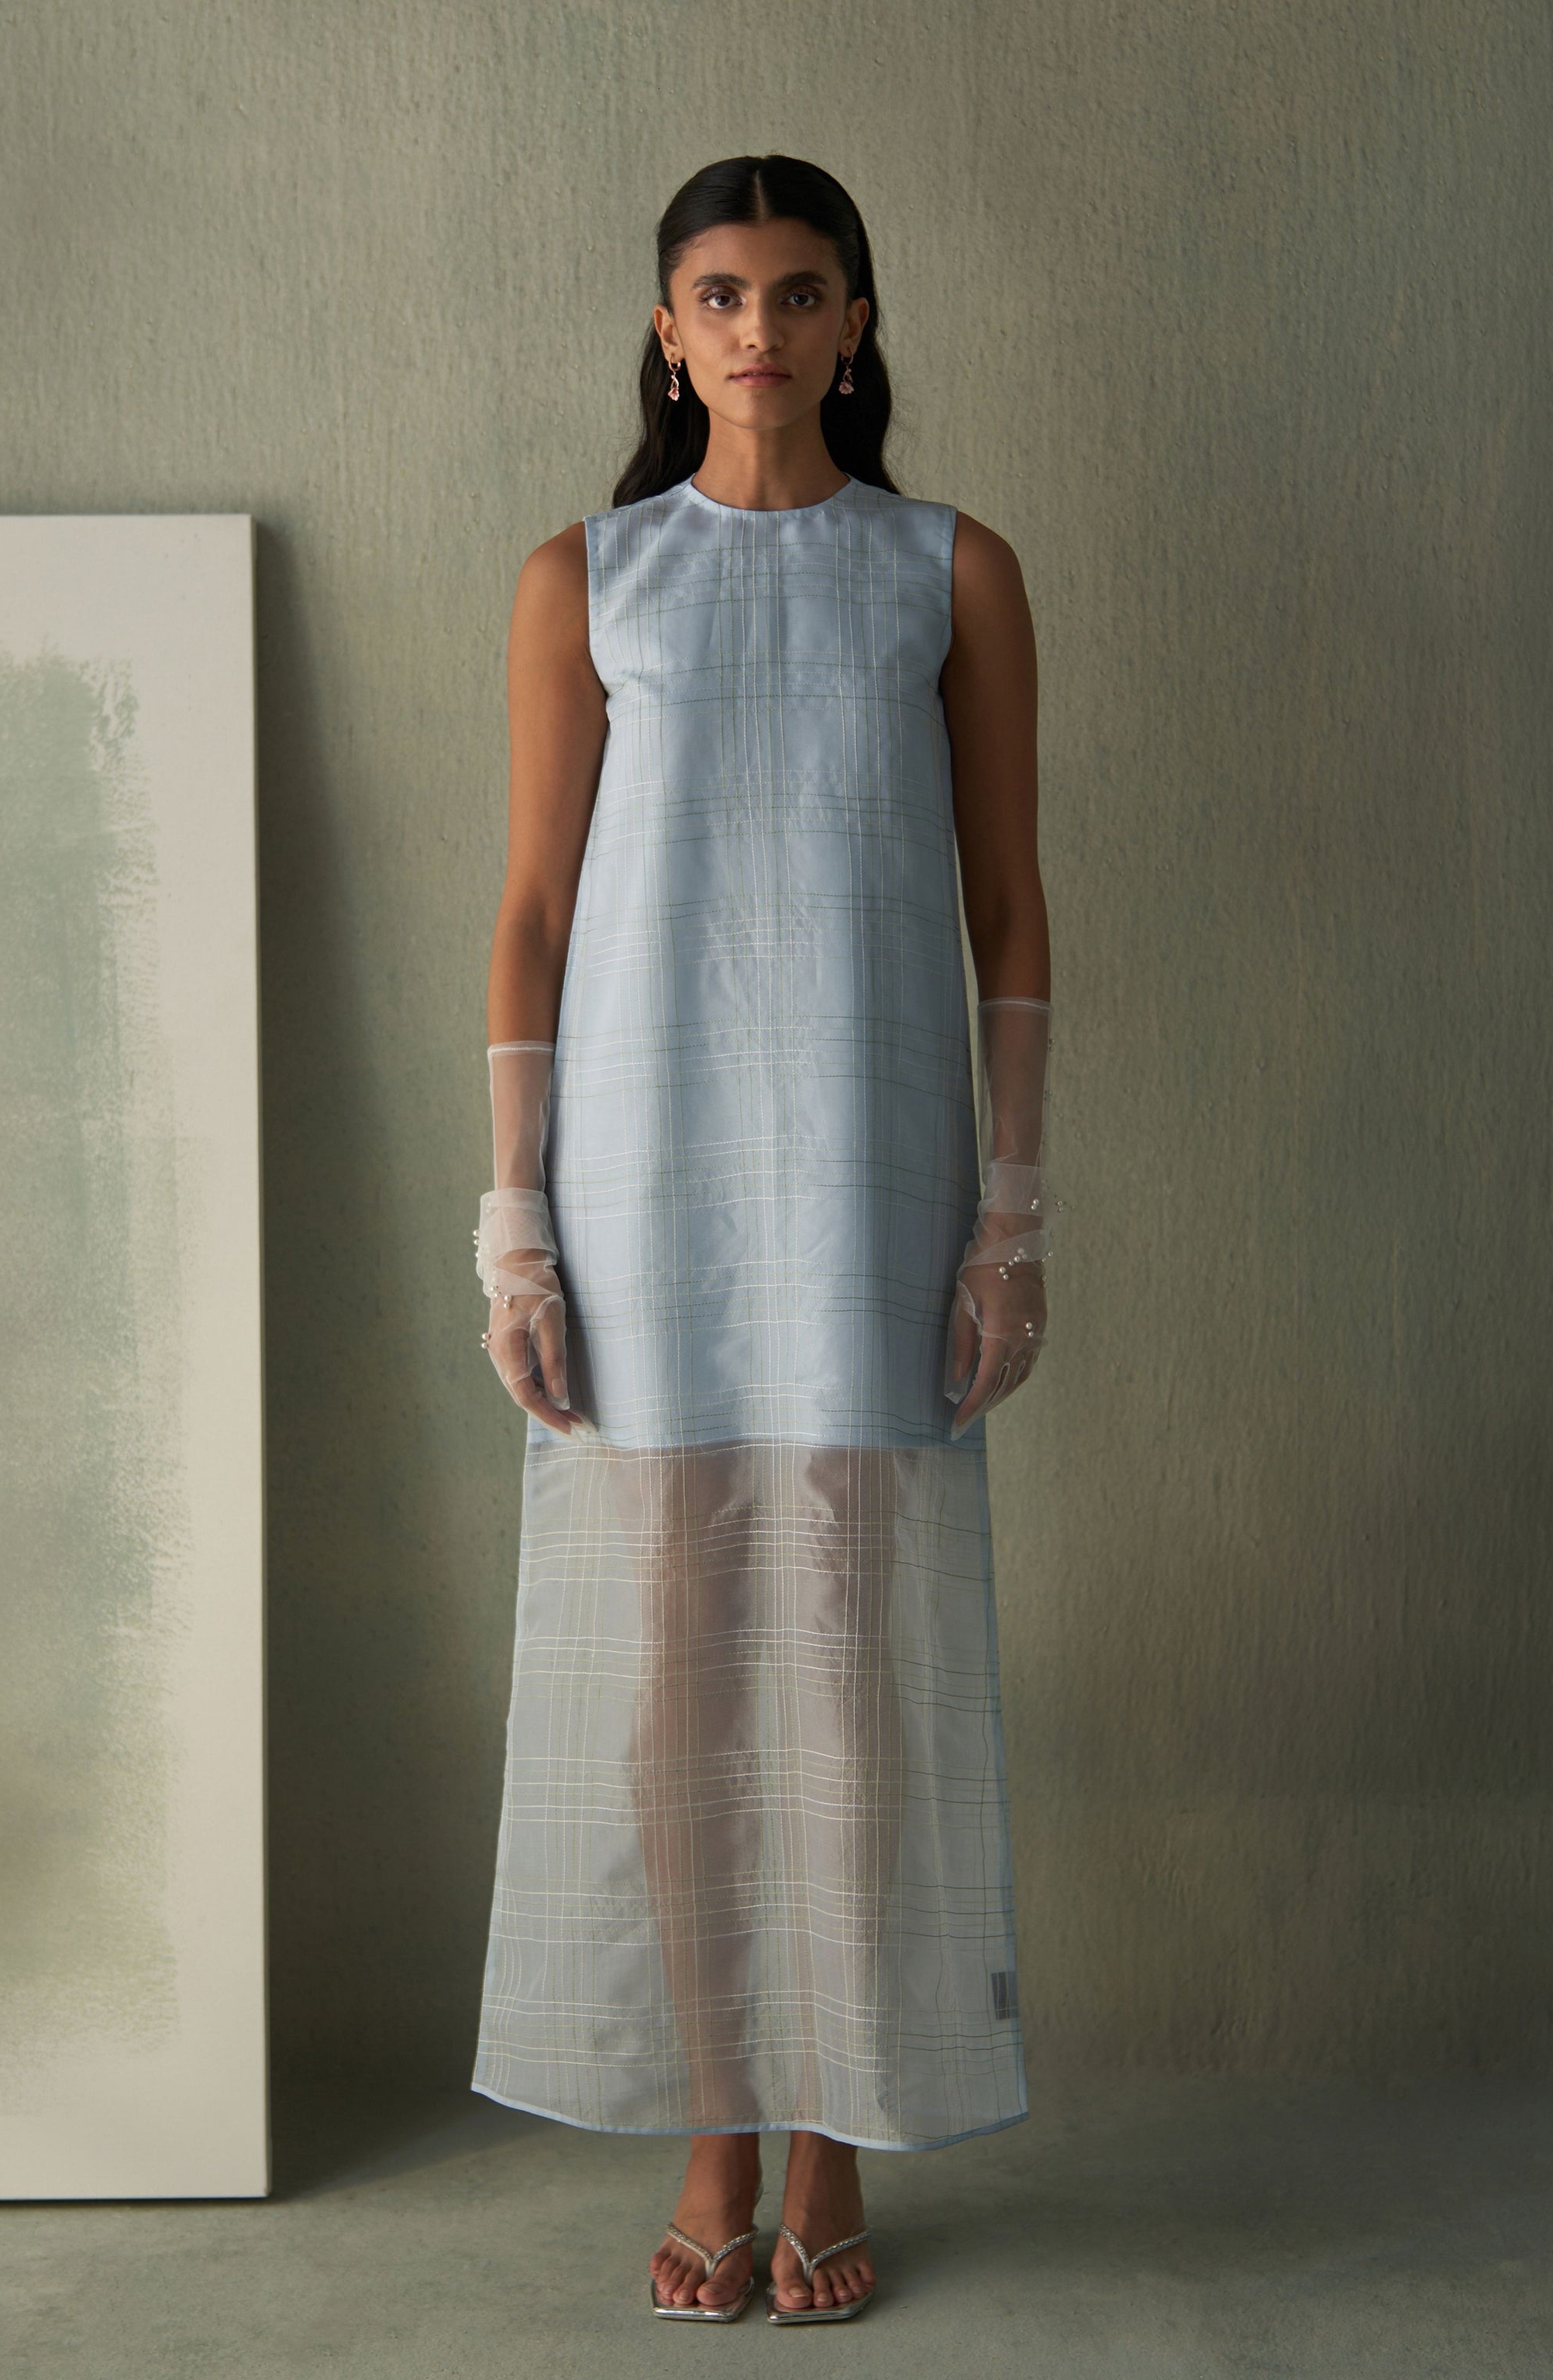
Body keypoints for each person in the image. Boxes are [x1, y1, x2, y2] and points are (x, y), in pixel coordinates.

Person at [471, 152, 1055, 2326]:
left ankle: (835, 2140)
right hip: (646, 1182)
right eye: (719, 294)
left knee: (853, 1664)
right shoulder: (590, 577)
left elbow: (1010, 907)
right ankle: (718, 2125)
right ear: (667, 331)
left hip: (871, 1176)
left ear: (856, 322)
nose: (760, 329)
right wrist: (513, 1225)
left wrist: (1010, 1216)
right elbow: (534, 913)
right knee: (676, 1669)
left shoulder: (948, 569)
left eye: (801, 292)